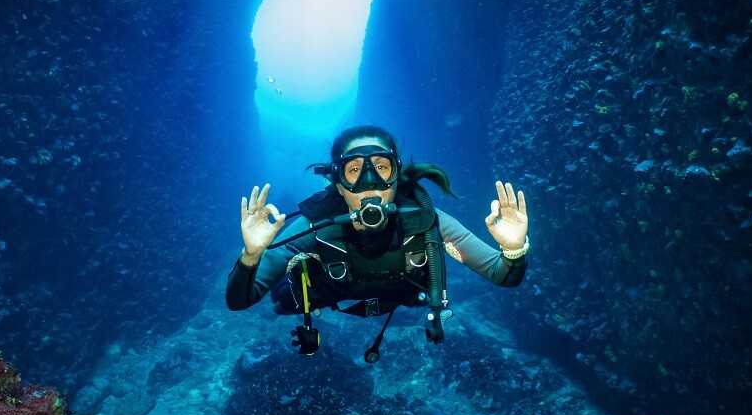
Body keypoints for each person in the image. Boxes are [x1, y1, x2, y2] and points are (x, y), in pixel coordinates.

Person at [225, 125, 529, 361]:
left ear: (396, 176)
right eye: (354, 170)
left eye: (381, 167)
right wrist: (251, 255)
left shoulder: (425, 219)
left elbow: (503, 275)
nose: (369, 182)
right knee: (283, 302)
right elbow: (239, 301)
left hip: (402, 296)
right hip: (331, 292)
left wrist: (513, 249)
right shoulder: (316, 225)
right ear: (338, 184)